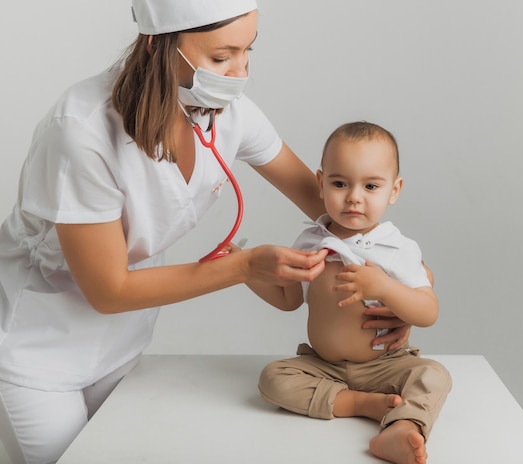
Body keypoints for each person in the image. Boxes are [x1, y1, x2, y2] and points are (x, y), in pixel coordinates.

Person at [0, 2, 412, 463]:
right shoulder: (81, 132)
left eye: (247, 51)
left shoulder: (224, 110)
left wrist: (405, 282)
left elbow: (336, 207)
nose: (239, 73)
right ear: (159, 43)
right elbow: (108, 290)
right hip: (39, 348)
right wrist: (244, 266)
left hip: (123, 341)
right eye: (221, 57)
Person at [246, 121, 452, 464]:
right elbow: (290, 300)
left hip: (384, 365)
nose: (354, 196)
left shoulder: (395, 248)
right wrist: (245, 273)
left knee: (434, 376)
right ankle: (360, 403)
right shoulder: (311, 240)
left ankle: (403, 427)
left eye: (371, 185)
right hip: (321, 365)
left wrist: (384, 286)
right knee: (273, 379)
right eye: (340, 183)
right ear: (320, 183)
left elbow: (428, 311)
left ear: (394, 190)